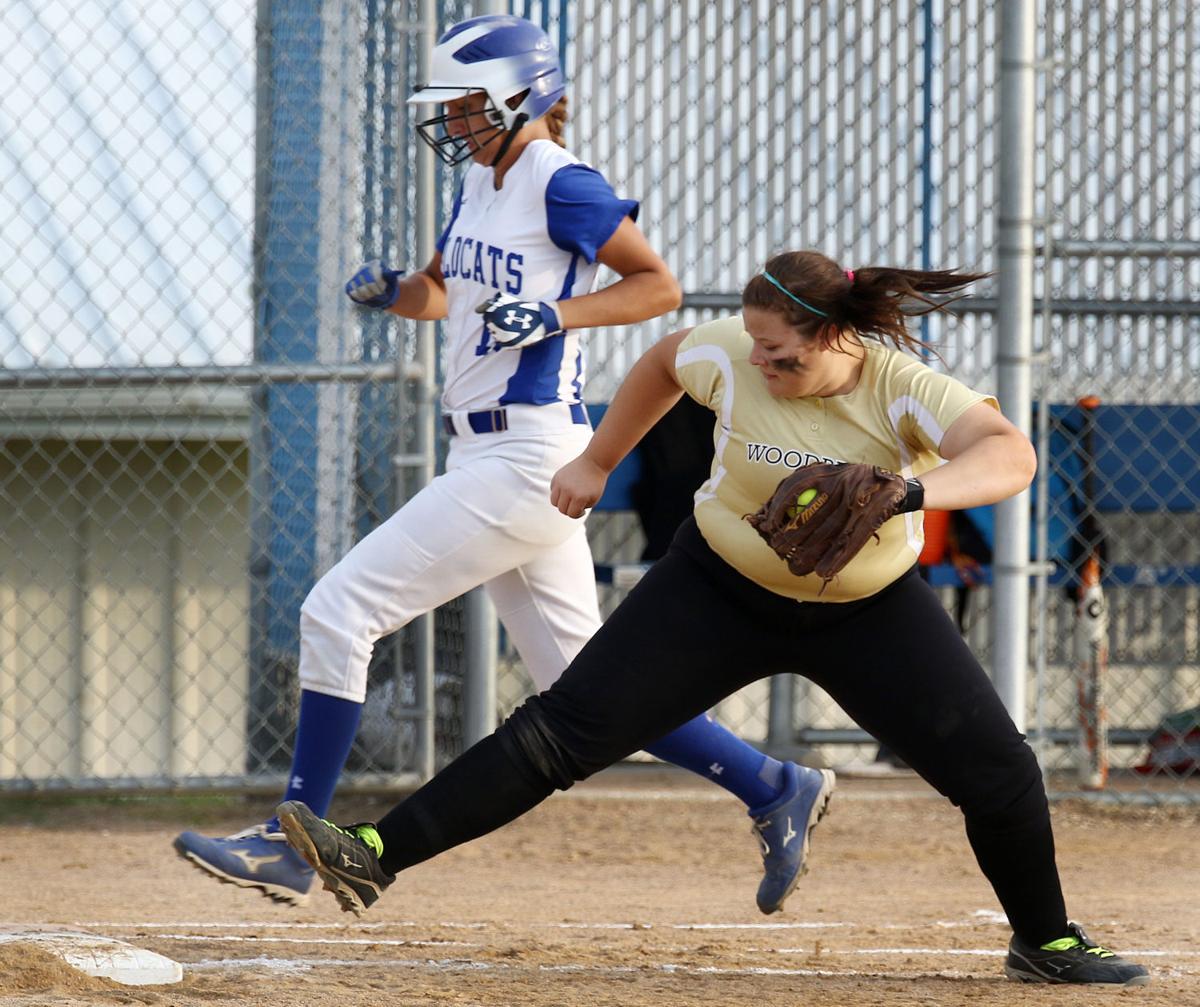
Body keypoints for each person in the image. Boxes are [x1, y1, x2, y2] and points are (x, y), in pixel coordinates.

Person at [273, 250, 1150, 987]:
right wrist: (597, 457)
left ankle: (1048, 942)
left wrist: (909, 489)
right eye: (757, 348)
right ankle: (373, 849)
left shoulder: (897, 388)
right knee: (560, 731)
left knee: (997, 770)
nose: (762, 365)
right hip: (716, 586)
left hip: (865, 607)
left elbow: (1011, 454)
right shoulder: (734, 352)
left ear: (836, 336)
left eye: (783, 355)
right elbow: (662, 362)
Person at [174, 15, 832, 915]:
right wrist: (396, 292)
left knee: (338, 609)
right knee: (585, 688)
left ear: (520, 97)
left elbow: (658, 287)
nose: (452, 123)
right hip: (483, 444)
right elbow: (442, 291)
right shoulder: (484, 182)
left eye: (467, 106)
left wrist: (557, 317)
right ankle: (771, 785)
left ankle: (294, 839)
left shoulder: (559, 181)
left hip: (529, 452)